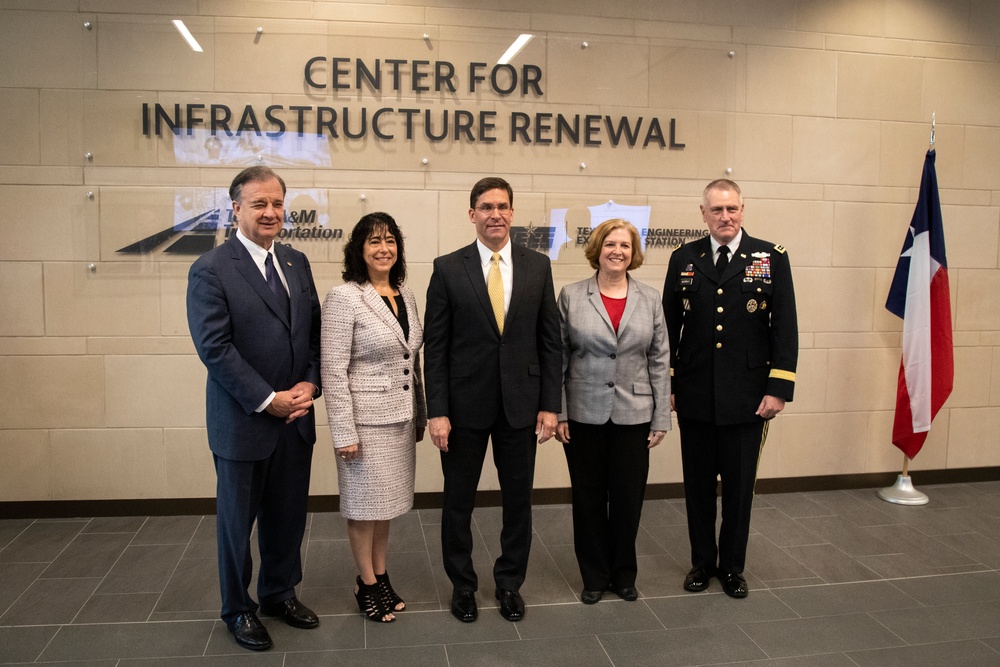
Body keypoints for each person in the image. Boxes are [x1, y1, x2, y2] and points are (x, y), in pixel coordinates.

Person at [186, 166, 321, 651]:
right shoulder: (211, 268)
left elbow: (311, 335)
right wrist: (270, 400)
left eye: (278, 203)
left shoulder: (296, 262)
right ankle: (237, 609)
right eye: (259, 204)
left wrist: (309, 383)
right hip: (244, 421)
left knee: (287, 515)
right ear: (235, 208)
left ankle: (279, 594)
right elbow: (215, 348)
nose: (271, 212)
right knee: (236, 525)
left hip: (296, 420)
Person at [423, 176, 561, 623]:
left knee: (518, 501)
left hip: (522, 406)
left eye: (502, 206)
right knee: (458, 502)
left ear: (513, 213)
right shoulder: (447, 268)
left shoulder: (537, 266)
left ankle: (509, 584)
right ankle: (463, 586)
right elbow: (436, 347)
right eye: (486, 207)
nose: (495, 214)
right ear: (472, 215)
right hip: (463, 409)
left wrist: (550, 404)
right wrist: (437, 411)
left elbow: (550, 342)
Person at [662, 179, 798, 599]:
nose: (726, 217)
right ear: (702, 213)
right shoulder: (683, 258)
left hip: (748, 399)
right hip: (695, 394)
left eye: (732, 209)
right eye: (717, 210)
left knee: (739, 491)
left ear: (743, 210)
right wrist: (668, 382)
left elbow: (785, 328)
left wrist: (778, 388)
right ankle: (702, 563)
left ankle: (733, 568)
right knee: (698, 487)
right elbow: (667, 327)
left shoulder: (770, 256)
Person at [555, 218, 671, 605]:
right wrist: (559, 413)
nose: (616, 251)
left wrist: (661, 418)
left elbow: (659, 360)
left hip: (634, 415)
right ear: (597, 250)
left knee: (627, 499)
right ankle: (593, 575)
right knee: (587, 498)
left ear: (632, 253)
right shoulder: (572, 296)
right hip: (583, 413)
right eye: (609, 244)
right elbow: (558, 358)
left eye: (624, 245)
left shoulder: (650, 299)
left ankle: (623, 574)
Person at [320, 212, 426, 623]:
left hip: (400, 419)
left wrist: (419, 414)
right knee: (364, 508)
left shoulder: (406, 294)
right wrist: (343, 431)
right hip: (363, 424)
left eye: (390, 241)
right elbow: (333, 369)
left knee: (386, 506)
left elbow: (410, 359)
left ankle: (380, 575)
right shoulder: (345, 297)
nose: (384, 249)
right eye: (374, 242)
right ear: (359, 251)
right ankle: (365, 583)